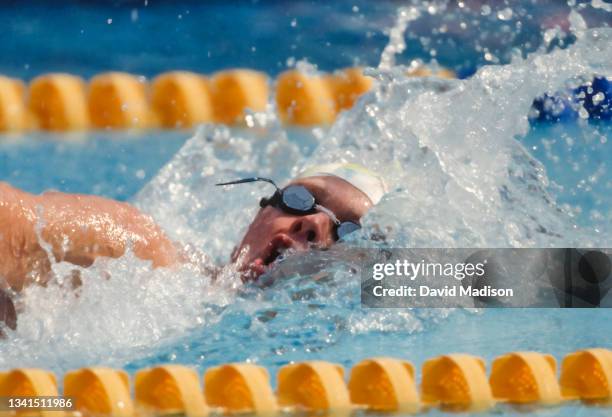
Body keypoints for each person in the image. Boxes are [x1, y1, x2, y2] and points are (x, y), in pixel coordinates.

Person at [0, 163, 386, 333]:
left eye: (348, 231)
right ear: (263, 207)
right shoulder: (138, 250)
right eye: (301, 198)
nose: (313, 222)